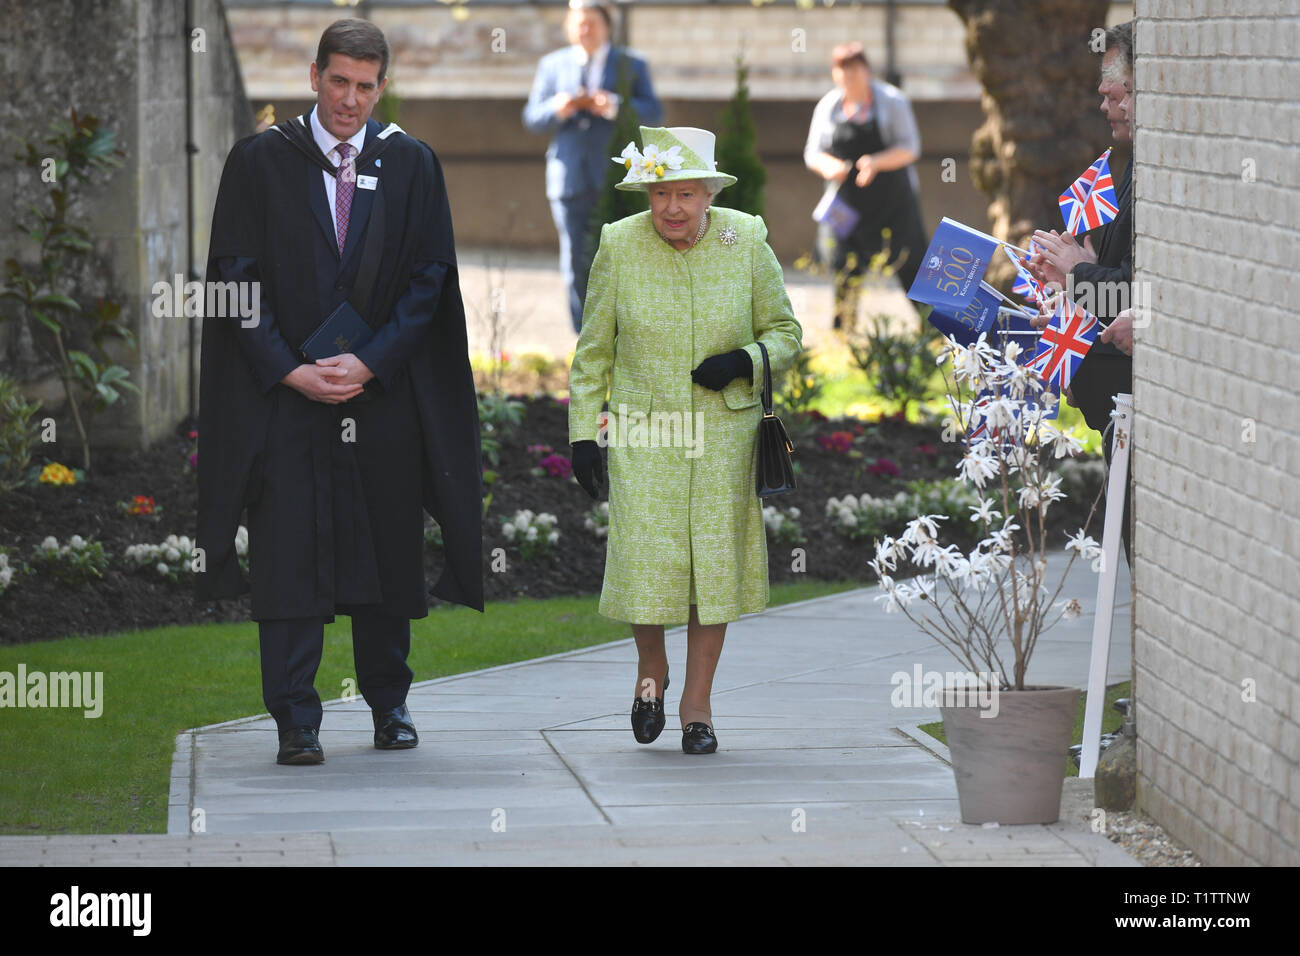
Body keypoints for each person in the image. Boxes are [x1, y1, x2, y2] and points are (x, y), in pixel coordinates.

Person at [195, 19, 483, 766]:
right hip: (286, 401)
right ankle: (296, 720)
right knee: (288, 555)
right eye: (338, 82)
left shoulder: (412, 163)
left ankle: (390, 707)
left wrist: (372, 363)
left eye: (365, 85)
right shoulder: (261, 160)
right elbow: (233, 279)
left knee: (387, 553)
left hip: (378, 400)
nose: (350, 100)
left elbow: (430, 283)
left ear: (381, 86)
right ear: (313, 75)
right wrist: (290, 368)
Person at [568, 126, 803, 755]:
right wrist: (583, 435)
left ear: (709, 194)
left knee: (713, 569)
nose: (672, 208)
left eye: (687, 194)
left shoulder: (744, 236)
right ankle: (653, 672)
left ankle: (696, 709)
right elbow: (593, 352)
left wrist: (745, 360)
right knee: (647, 558)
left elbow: (786, 332)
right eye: (660, 194)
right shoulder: (619, 244)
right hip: (646, 429)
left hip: (725, 432)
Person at [1029, 20, 1135, 560]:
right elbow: (1118, 294)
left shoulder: (1152, 177)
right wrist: (1076, 271)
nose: (1105, 105)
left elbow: (1140, 301)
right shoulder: (1131, 169)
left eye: (1117, 94)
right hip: (1114, 413)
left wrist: (1078, 272)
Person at [523, 0, 662, 332]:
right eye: (579, 24)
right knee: (575, 261)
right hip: (569, 178)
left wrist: (614, 105)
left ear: (607, 27)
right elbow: (532, 117)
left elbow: (654, 112)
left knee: (624, 259)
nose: (585, 30)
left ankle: (625, 333)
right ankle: (584, 337)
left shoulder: (632, 63)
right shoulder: (552, 65)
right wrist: (559, 108)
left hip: (618, 178)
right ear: (569, 28)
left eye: (592, 24)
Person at [804, 41, 928, 331]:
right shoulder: (828, 106)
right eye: (843, 71)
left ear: (867, 71)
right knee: (843, 265)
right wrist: (828, 166)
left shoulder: (892, 101)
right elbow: (812, 152)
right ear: (835, 74)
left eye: (855, 70)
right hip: (846, 202)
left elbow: (910, 148)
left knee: (910, 262)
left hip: (893, 201)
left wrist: (875, 162)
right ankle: (843, 334)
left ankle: (932, 332)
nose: (849, 77)